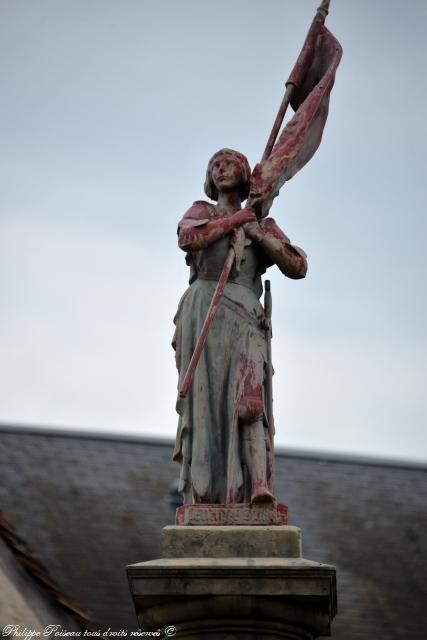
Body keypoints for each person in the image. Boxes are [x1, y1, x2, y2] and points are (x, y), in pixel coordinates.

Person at [172, 148, 307, 506]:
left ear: (245, 173)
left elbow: (297, 265)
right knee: (208, 405)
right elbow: (188, 237)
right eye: (214, 165)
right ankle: (210, 492)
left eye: (229, 163)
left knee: (248, 402)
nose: (221, 169)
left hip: (245, 314)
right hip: (204, 310)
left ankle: (257, 485)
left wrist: (256, 232)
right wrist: (232, 222)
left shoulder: (260, 220)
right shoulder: (202, 211)